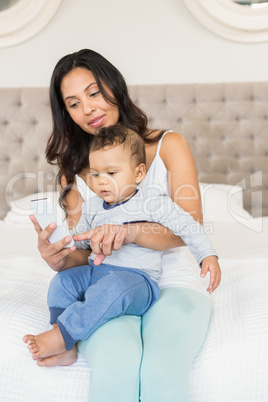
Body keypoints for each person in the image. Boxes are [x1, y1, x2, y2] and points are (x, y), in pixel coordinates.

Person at [27, 49, 221, 401]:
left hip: (174, 282)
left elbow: (189, 228)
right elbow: (84, 252)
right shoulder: (73, 175)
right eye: (72, 103)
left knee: (162, 370)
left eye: (94, 92)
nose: (87, 109)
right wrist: (58, 257)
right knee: (117, 365)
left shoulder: (167, 145)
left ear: (113, 86)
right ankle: (62, 334)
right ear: (66, 114)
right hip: (106, 284)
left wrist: (130, 232)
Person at [23, 125, 219, 359]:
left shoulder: (152, 202)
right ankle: (65, 342)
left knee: (113, 288)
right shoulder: (93, 206)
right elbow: (83, 240)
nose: (101, 182)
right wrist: (61, 244)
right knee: (62, 282)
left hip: (137, 279)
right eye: (95, 174)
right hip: (98, 272)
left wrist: (207, 255)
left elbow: (187, 225)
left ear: (138, 173)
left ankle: (63, 334)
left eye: (111, 173)